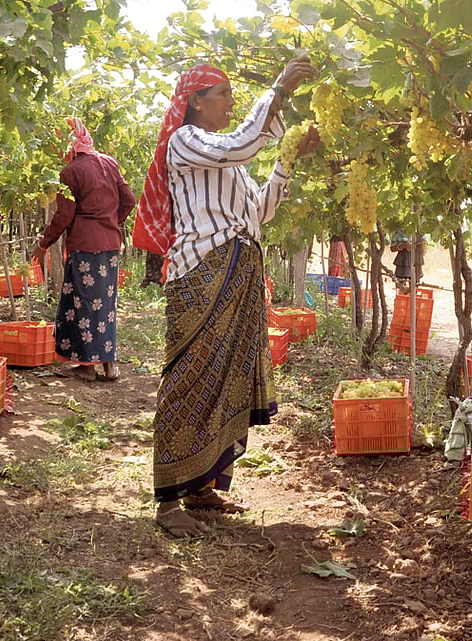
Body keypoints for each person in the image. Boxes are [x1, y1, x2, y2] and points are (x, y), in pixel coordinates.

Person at [133, 58, 319, 537]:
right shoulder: (186, 141)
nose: (231, 101)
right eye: (223, 93)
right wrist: (277, 88)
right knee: (189, 380)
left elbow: (260, 212)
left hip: (237, 274)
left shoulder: (226, 162)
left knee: (225, 377)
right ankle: (168, 499)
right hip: (202, 275)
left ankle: (200, 488)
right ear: (195, 101)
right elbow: (239, 145)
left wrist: (288, 161)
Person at [32, 117, 136, 382]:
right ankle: (109, 366)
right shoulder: (109, 162)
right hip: (110, 245)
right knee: (105, 305)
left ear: (69, 143)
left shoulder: (71, 172)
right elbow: (129, 200)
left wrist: (44, 244)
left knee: (84, 304)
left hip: (85, 245)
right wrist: (112, 221)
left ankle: (88, 366)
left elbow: (63, 216)